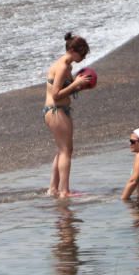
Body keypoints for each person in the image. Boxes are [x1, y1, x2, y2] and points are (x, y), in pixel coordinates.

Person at [44, 33, 93, 198]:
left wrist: (80, 86)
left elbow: (68, 90)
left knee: (62, 150)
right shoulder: (63, 66)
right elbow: (57, 94)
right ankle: (64, 191)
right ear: (72, 50)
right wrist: (76, 84)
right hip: (56, 110)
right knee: (66, 150)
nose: (84, 57)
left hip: (59, 110)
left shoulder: (67, 66)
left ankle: (53, 189)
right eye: (83, 53)